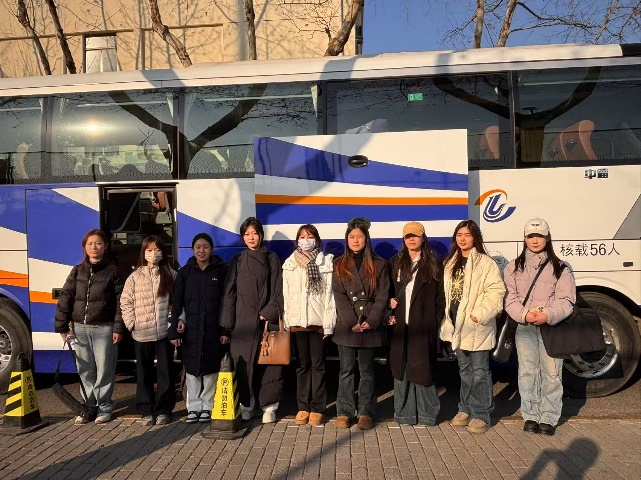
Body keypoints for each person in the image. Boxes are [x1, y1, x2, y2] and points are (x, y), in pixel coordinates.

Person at [504, 218, 575, 436]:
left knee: (552, 373)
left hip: (552, 327)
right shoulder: (513, 267)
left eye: (540, 236)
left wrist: (547, 315)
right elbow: (509, 298)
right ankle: (530, 415)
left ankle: (549, 417)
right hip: (524, 326)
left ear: (547, 238)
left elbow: (566, 300)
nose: (535, 240)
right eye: (531, 236)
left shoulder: (561, 267)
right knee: (527, 372)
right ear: (524, 238)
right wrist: (525, 314)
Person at [440, 220, 505, 434]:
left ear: (475, 237)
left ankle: (481, 414)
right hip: (457, 325)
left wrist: (480, 313)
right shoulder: (450, 262)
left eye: (467, 235)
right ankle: (465, 409)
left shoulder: (486, 263)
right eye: (459, 235)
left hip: (477, 325)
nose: (462, 239)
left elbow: (496, 291)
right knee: (465, 370)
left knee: (480, 372)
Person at [54, 229, 124, 425]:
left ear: (105, 247)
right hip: (80, 329)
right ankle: (88, 407)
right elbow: (65, 298)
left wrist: (118, 328)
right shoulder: (77, 271)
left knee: (105, 370)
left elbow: (121, 303)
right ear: (85, 247)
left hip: (104, 328)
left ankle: (105, 407)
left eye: (98, 243)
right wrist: (62, 327)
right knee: (85, 370)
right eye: (90, 243)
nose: (94, 247)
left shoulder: (113, 272)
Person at [220, 217, 284, 424]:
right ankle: (246, 405)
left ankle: (269, 407)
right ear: (242, 237)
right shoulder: (237, 260)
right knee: (243, 365)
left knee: (269, 365)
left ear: (261, 235)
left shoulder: (271, 258)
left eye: (254, 233)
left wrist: (269, 311)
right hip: (242, 323)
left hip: (266, 322)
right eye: (247, 234)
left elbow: (278, 289)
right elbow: (229, 293)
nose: (251, 237)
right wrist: (226, 325)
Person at [332, 217, 389, 430]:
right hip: (347, 325)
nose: (355, 240)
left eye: (359, 237)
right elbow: (338, 295)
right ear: (347, 239)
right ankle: (344, 411)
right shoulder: (339, 264)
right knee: (346, 370)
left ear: (367, 239)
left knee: (367, 371)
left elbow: (383, 295)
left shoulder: (379, 264)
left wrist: (371, 321)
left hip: (369, 324)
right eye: (352, 237)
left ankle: (366, 411)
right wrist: (351, 322)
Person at [387, 222, 444, 426]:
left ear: (423, 237)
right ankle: (404, 415)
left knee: (423, 371)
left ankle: (428, 415)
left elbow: (441, 298)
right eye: (408, 236)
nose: (411, 239)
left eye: (416, 235)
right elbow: (388, 292)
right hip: (400, 326)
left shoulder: (433, 262)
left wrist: (434, 321)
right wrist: (389, 306)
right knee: (401, 371)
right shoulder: (395, 262)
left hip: (423, 326)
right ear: (403, 239)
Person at [169, 233, 229, 423]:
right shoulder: (185, 273)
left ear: (211, 249)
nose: (201, 251)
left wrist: (225, 330)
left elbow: (226, 302)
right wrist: (174, 329)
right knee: (192, 369)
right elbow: (177, 303)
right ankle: (193, 407)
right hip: (190, 330)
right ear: (192, 249)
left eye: (205, 247)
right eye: (198, 247)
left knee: (211, 369)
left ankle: (207, 406)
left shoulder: (221, 271)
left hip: (213, 329)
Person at [282, 224, 336, 426]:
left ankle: (318, 408)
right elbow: (286, 295)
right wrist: (287, 321)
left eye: (310, 236)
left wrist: (328, 325)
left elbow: (329, 296)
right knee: (302, 365)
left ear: (316, 239)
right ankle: (303, 407)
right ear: (297, 240)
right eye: (302, 236)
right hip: (298, 323)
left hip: (318, 322)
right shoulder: (289, 263)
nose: (306, 240)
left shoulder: (325, 262)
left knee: (318, 365)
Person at [121, 235, 177, 426]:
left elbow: (179, 302)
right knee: (144, 373)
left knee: (165, 373)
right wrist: (132, 323)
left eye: (157, 249)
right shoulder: (135, 276)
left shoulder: (171, 274)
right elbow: (125, 301)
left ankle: (164, 410)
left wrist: (174, 324)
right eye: (149, 250)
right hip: (141, 332)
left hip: (164, 332)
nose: (154, 253)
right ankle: (146, 410)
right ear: (143, 252)